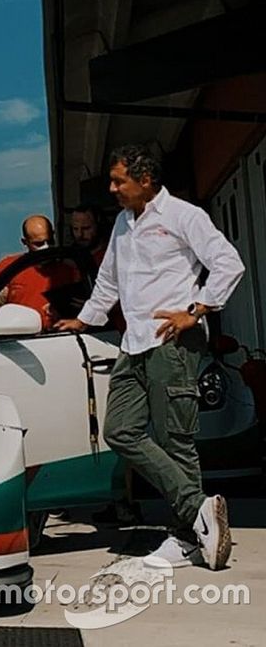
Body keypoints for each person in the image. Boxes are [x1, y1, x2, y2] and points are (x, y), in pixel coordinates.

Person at [56, 144, 245, 570]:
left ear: (145, 180)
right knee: (120, 430)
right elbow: (109, 283)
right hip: (133, 343)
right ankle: (200, 509)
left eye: (119, 180)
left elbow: (228, 265)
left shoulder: (183, 215)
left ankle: (185, 538)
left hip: (173, 342)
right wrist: (83, 321)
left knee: (176, 439)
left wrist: (194, 311)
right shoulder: (123, 224)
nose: (112, 188)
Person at [0, 215, 79, 329]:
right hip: (18, 337)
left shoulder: (69, 269)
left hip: (59, 336)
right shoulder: (11, 267)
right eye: (39, 244)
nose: (46, 247)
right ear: (25, 242)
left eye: (50, 241)